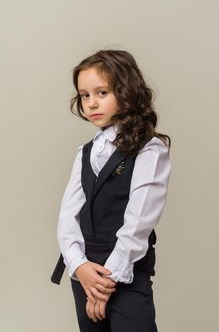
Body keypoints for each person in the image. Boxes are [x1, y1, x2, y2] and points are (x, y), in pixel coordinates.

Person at [51, 49, 172, 332]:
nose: (92, 103)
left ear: (126, 91)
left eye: (102, 92)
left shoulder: (150, 150)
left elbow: (138, 223)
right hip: (84, 273)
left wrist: (105, 284)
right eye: (84, 95)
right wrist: (79, 266)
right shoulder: (85, 152)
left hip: (124, 273)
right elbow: (68, 217)